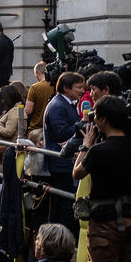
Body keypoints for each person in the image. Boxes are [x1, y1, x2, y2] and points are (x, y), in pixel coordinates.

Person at [72, 95, 131, 262]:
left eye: (96, 116)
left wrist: (85, 145)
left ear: (103, 119)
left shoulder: (98, 151)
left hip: (105, 223)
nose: (93, 120)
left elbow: (77, 173)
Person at [43, 71, 85, 230]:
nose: (82, 90)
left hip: (63, 161)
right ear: (66, 88)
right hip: (60, 162)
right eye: (79, 87)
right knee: (62, 202)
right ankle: (58, 235)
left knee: (62, 201)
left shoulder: (64, 103)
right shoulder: (58, 105)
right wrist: (81, 125)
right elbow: (60, 132)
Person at [24, 62, 54, 132]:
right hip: (52, 129)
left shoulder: (34, 87)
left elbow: (28, 111)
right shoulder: (56, 85)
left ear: (37, 72)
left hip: (36, 129)